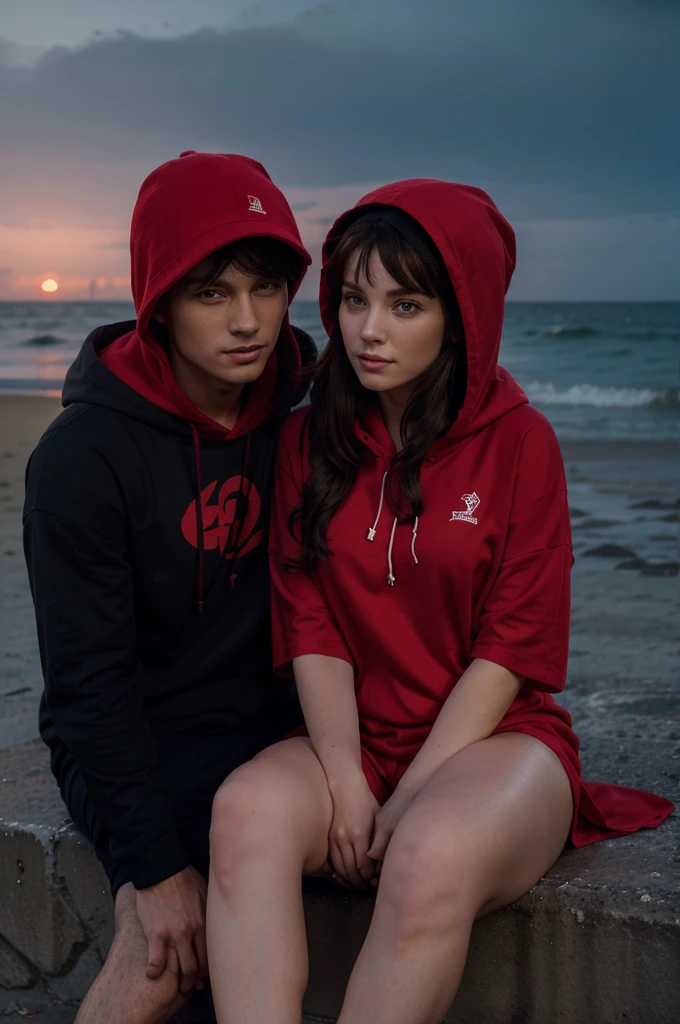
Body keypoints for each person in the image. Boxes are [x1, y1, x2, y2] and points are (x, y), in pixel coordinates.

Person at [206, 180, 675, 1024]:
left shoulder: (523, 442)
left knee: (428, 852)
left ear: (461, 313)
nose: (369, 330)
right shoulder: (308, 439)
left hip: (497, 744)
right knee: (243, 812)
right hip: (353, 737)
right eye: (353, 300)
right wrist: (347, 776)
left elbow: (512, 646)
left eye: (405, 303)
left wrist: (417, 786)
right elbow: (308, 618)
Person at [23, 151, 314, 1024]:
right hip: (135, 727)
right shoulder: (83, 457)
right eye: (212, 293)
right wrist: (149, 868)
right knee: (169, 945)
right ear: (158, 303)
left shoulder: (307, 407)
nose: (247, 321)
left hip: (267, 723)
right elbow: (87, 687)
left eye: (266, 289)